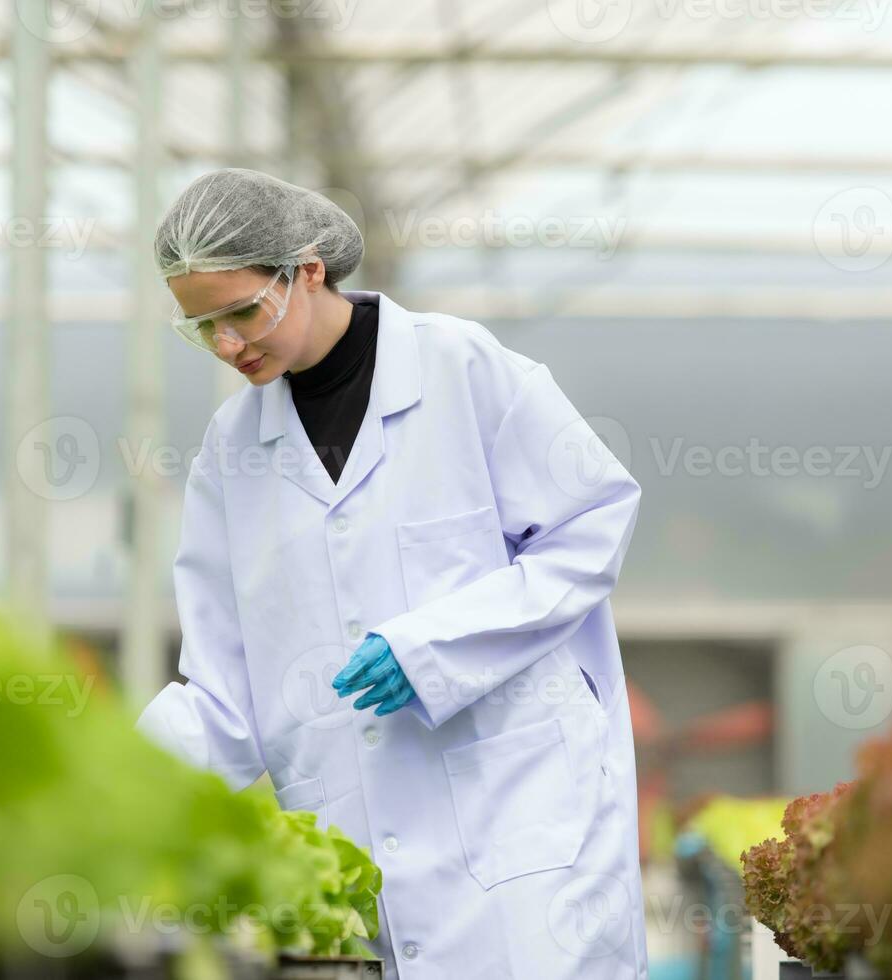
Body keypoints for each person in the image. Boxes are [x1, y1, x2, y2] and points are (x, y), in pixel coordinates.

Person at [136, 168, 649, 978]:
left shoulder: (461, 368)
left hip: (522, 828)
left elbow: (588, 525)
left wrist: (434, 646)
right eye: (202, 327)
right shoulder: (231, 455)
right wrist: (99, 777)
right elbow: (223, 694)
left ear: (306, 271)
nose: (229, 345)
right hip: (362, 848)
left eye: (242, 311)